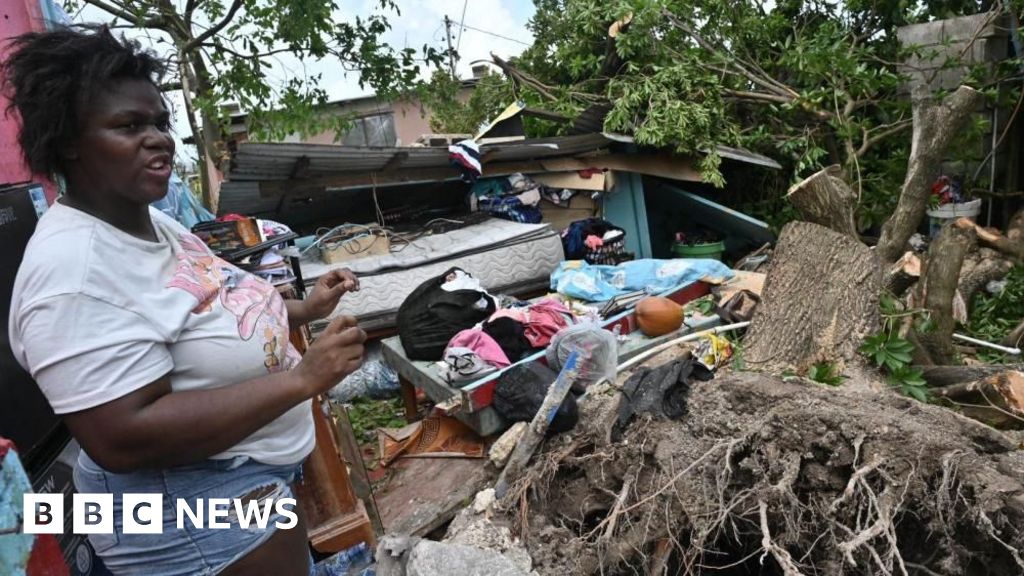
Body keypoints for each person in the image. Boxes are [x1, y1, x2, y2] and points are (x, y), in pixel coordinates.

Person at [4, 26, 366, 575]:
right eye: (129, 126)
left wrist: (305, 309)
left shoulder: (149, 222)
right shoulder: (72, 275)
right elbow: (121, 437)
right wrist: (301, 380)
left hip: (244, 473)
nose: (158, 138)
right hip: (194, 506)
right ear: (69, 140)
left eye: (159, 122)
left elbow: (212, 304)